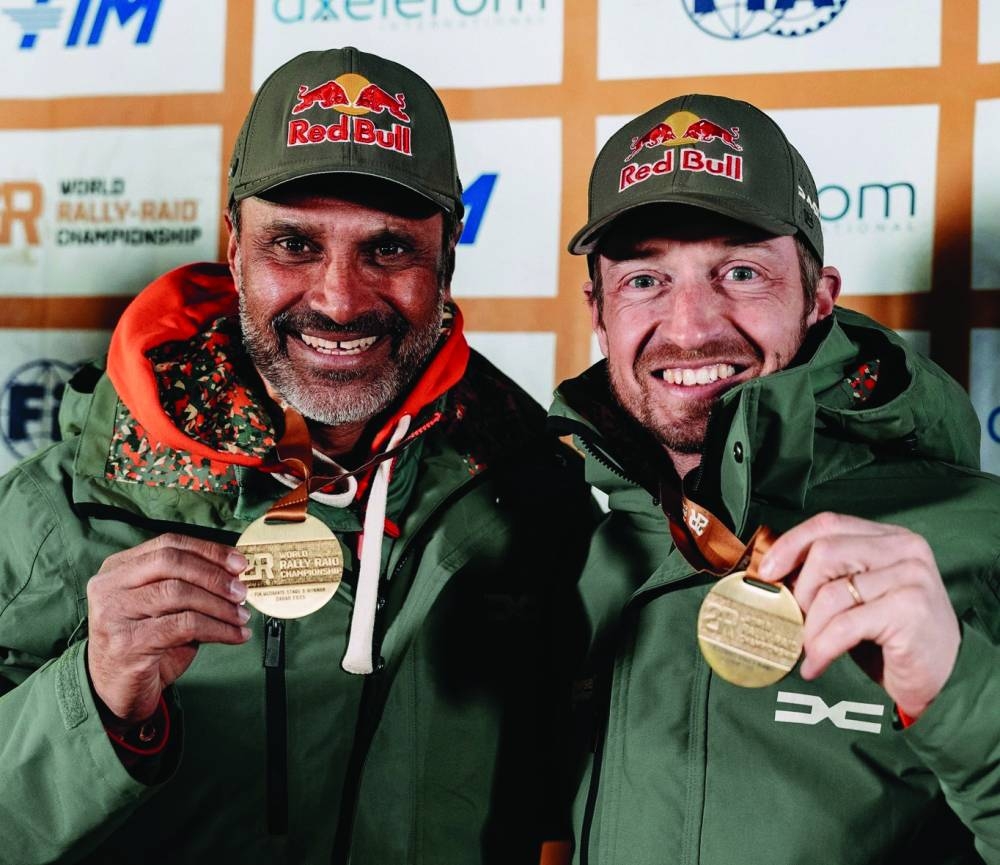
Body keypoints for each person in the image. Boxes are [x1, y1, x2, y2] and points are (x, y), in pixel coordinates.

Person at [0, 48, 594, 864]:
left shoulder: (536, 500)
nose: (340, 299)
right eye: (294, 245)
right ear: (235, 245)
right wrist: (94, 701)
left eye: (387, 249)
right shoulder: (57, 507)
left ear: (447, 257)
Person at [549, 93, 1000, 864]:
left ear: (819, 297)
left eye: (741, 271)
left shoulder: (976, 534)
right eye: (645, 280)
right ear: (598, 309)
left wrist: (956, 691)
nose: (691, 325)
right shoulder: (560, 545)